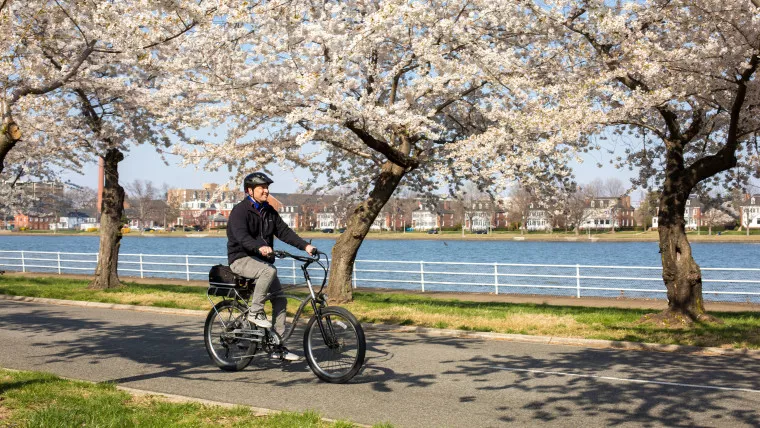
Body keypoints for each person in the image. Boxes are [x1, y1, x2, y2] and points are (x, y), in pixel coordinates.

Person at [227, 172, 316, 361]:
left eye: (267, 187)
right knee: (269, 270)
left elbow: (284, 232)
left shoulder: (268, 211)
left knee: (280, 300)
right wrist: (259, 247)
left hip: (262, 261)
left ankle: (277, 346)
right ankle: (255, 311)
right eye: (262, 188)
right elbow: (242, 237)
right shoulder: (239, 211)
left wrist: (305, 246)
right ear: (249, 191)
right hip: (241, 259)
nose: (266, 191)